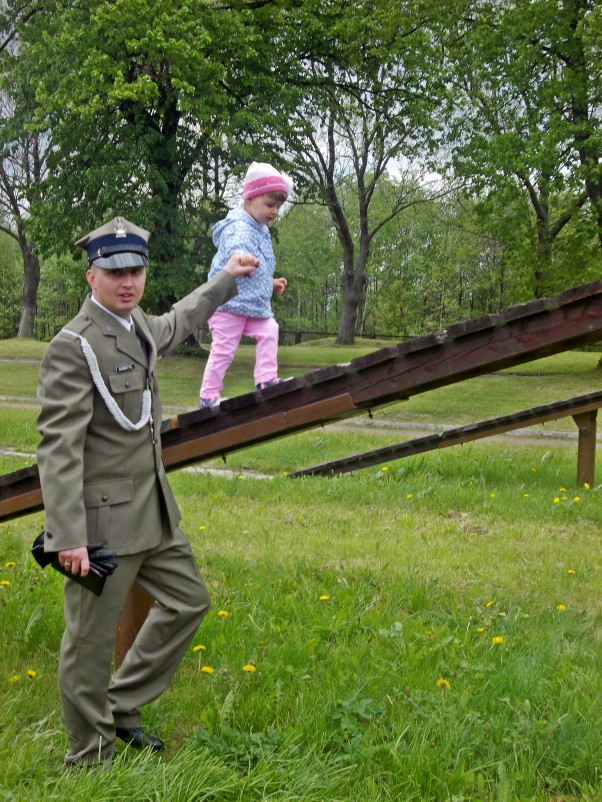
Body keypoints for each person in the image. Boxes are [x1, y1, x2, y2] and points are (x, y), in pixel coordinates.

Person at [36, 216, 258, 767]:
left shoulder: (138, 327)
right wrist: (67, 536)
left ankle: (121, 704)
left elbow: (181, 319)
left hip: (154, 515)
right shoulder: (75, 346)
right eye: (115, 273)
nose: (127, 281)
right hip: (103, 527)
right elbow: (58, 448)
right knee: (89, 645)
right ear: (92, 277)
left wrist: (227, 277)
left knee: (188, 601)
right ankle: (89, 755)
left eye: (135, 270)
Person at [198, 161, 293, 407]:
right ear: (249, 199)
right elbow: (236, 248)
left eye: (279, 207)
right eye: (270, 205)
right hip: (228, 306)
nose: (274, 212)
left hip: (253, 306)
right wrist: (242, 257)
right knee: (224, 350)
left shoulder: (261, 230)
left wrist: (270, 283)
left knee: (270, 330)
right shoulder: (239, 225)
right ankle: (208, 396)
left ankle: (266, 380)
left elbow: (256, 271)